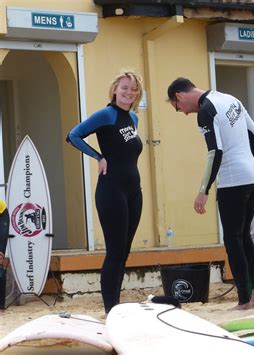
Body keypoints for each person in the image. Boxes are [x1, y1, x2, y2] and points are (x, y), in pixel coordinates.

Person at [167, 77, 254, 310]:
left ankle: (243, 300)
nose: (182, 112)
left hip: (232, 180)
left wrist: (203, 190)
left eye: (177, 107)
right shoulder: (230, 99)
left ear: (180, 96)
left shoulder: (206, 110)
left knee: (233, 240)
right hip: (252, 177)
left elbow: (215, 151)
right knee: (244, 237)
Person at [66, 70, 144, 314]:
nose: (128, 92)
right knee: (115, 251)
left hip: (133, 191)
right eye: (124, 87)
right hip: (111, 191)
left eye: (133, 89)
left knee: (125, 252)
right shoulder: (106, 114)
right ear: (114, 89)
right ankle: (111, 308)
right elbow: (73, 135)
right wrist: (97, 156)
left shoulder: (133, 118)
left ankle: (116, 306)